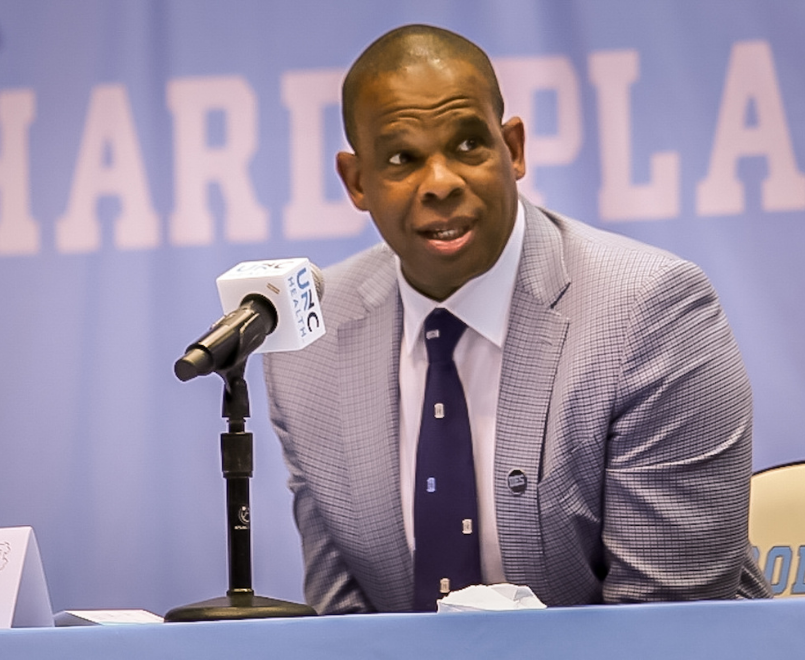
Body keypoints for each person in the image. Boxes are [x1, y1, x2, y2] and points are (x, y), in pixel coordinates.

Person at [263, 24, 771, 614]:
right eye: (402, 158)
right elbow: (344, 626)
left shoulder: (650, 311)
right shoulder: (312, 339)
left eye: (467, 146)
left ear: (514, 149)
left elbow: (665, 620)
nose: (441, 183)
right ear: (356, 182)